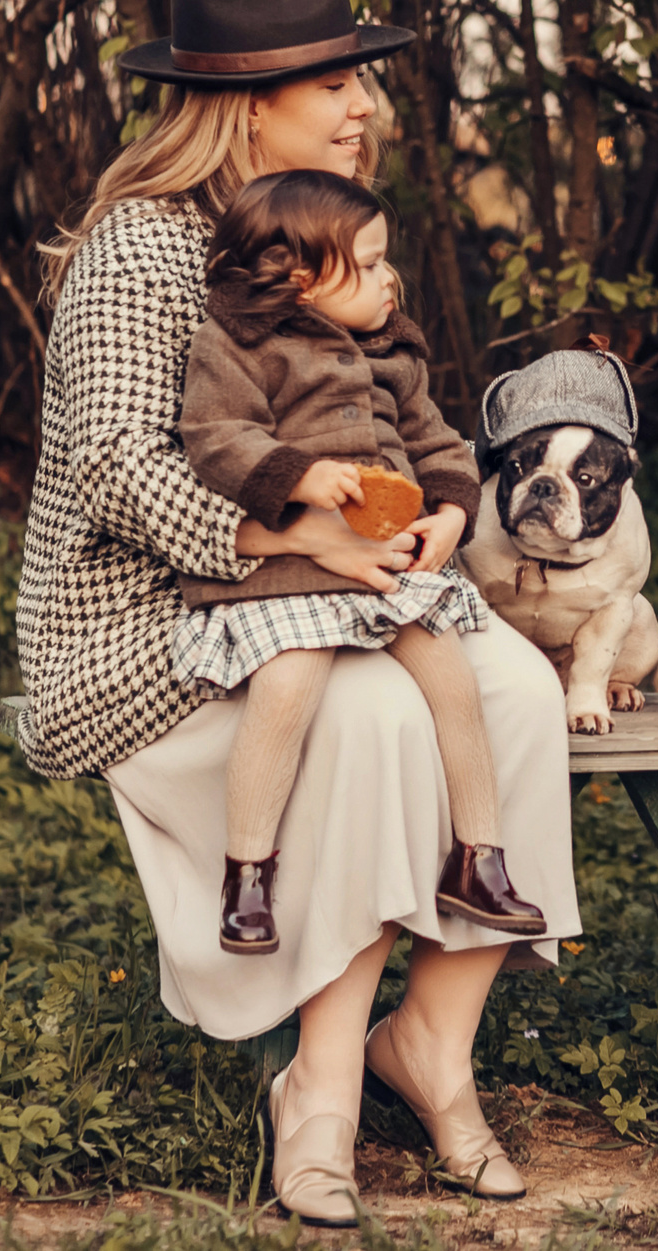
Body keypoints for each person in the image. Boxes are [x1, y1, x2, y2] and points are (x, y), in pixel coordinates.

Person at [13, 0, 577, 1224]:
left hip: (346, 583)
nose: (363, 103)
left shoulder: (322, 226)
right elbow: (114, 471)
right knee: (370, 714)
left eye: (357, 79)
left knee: (517, 692)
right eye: (335, 82)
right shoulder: (140, 252)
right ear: (248, 105)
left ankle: (430, 1042)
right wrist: (302, 548)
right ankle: (320, 1087)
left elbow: (394, 417)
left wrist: (437, 516)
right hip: (150, 618)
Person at [178, 168, 545, 956]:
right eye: (372, 263)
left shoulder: (392, 349)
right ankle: (247, 872)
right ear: (303, 280)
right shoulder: (237, 343)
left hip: (386, 561)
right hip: (291, 571)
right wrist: (298, 476)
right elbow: (214, 436)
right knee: (288, 686)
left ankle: (479, 858)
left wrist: (451, 511)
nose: (391, 279)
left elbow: (437, 440)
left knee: (454, 681)